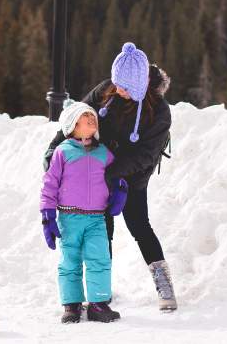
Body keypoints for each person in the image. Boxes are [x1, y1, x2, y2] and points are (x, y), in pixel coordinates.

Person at [43, 42, 177, 312]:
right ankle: (100, 289)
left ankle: (163, 282)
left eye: (125, 87)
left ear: (140, 86)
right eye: (117, 84)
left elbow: (146, 155)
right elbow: (77, 117)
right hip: (98, 170)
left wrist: (114, 173)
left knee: (139, 224)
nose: (119, 90)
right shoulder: (108, 89)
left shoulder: (159, 112)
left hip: (133, 176)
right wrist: (55, 146)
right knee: (102, 230)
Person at [41, 101, 127, 323]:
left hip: (97, 218)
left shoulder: (103, 153)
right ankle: (72, 304)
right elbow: (50, 183)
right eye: (85, 117)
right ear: (72, 125)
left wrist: (119, 193)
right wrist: (47, 215)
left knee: (99, 258)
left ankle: (98, 304)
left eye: (92, 118)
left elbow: (117, 177)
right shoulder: (63, 152)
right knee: (70, 261)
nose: (91, 119)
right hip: (69, 219)